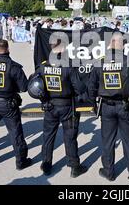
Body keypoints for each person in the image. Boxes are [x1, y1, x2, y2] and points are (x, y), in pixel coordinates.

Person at [88, 33, 129, 181]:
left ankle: (109, 171)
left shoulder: (99, 62)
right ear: (122, 45)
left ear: (109, 44)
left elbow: (91, 87)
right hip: (125, 106)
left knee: (108, 141)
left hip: (107, 107)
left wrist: (93, 104)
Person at [33, 40, 88, 178]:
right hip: (67, 105)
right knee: (70, 137)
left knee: (48, 136)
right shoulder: (68, 65)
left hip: (50, 106)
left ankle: (46, 164)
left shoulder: (42, 67)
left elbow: (34, 86)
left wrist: (43, 99)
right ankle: (74, 166)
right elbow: (79, 88)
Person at [0, 40, 32, 170]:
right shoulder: (13, 67)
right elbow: (24, 87)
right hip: (8, 104)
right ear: (8, 48)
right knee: (15, 133)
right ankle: (21, 162)